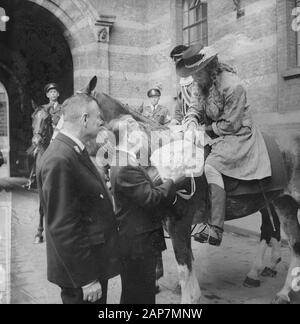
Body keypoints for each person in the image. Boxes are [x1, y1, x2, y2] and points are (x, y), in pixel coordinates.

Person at [178, 43, 271, 247]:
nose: (193, 77)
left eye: (196, 72)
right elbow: (194, 106)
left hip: (237, 134)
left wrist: (205, 130)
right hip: (212, 132)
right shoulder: (199, 84)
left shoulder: (232, 85)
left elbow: (232, 123)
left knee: (210, 166)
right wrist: (192, 121)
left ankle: (216, 228)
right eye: (191, 73)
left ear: (208, 68)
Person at [37, 93, 120, 304]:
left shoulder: (72, 150)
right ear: (84, 119)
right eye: (97, 117)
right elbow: (63, 226)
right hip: (82, 275)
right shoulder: (60, 158)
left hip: (92, 262)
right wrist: (86, 279)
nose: (101, 121)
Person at [109, 115, 184, 304]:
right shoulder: (126, 165)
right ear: (130, 137)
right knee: (140, 296)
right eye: (140, 131)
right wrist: (172, 181)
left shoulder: (124, 160)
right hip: (138, 244)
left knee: (135, 295)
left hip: (137, 241)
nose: (144, 135)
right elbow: (150, 198)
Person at [169, 45, 194, 125]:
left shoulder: (198, 79)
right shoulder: (182, 83)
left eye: (177, 63)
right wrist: (176, 120)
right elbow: (179, 109)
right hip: (186, 124)